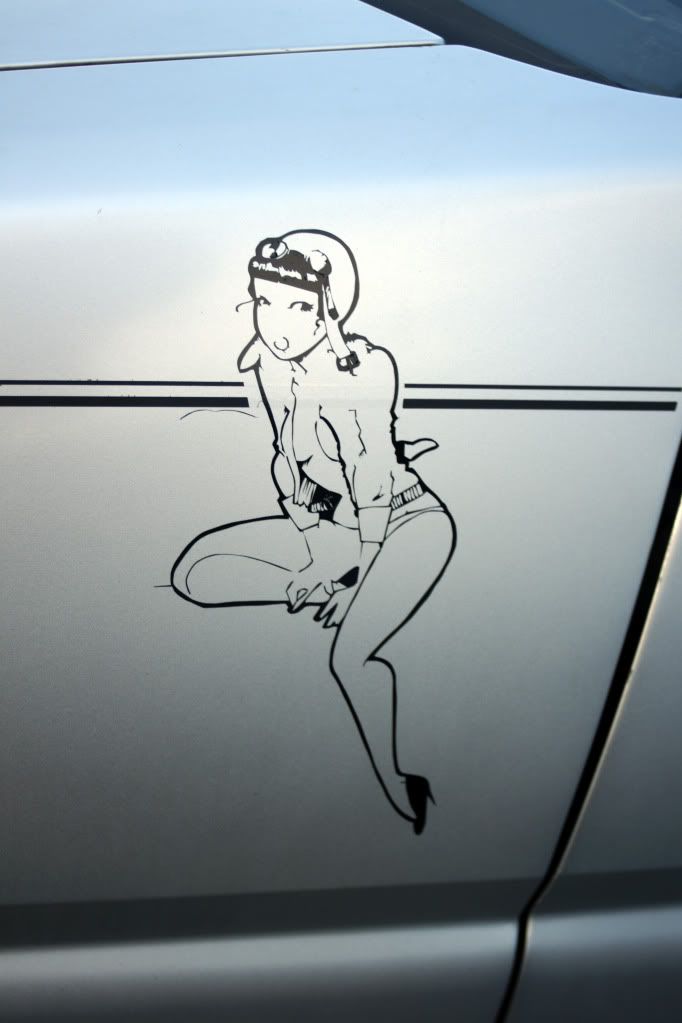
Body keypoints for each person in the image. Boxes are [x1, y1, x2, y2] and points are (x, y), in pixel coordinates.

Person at [171, 229, 455, 833]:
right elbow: (286, 459)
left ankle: (400, 784)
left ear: (329, 307)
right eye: (265, 301)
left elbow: (371, 476)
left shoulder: (363, 369)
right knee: (195, 574)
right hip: (334, 526)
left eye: (299, 306)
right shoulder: (269, 366)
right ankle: (327, 584)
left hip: (404, 524)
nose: (278, 321)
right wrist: (322, 551)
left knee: (349, 659)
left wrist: (358, 577)